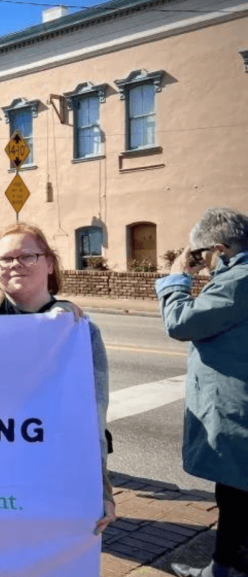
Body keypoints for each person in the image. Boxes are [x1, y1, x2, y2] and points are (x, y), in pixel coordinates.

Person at [0, 223, 117, 538]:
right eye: (5, 259)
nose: (15, 264)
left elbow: (92, 413)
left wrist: (102, 488)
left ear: (50, 263)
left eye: (27, 256)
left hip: (49, 468)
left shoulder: (79, 330)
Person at [154, 208, 248, 577]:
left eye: (201, 255)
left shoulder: (239, 279)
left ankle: (223, 569)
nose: (201, 264)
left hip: (236, 403)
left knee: (233, 490)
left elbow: (182, 322)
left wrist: (177, 279)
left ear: (220, 250)